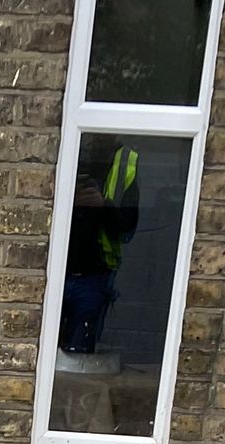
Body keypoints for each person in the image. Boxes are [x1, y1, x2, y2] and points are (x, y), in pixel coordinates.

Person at [60, 141, 140, 357]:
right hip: (54, 269)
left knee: (79, 352)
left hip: (93, 276)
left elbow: (127, 227)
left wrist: (103, 206)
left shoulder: (124, 163)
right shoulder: (68, 141)